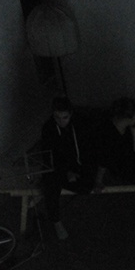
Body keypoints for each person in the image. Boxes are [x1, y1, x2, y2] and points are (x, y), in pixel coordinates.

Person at [40, 97, 96, 240]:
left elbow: (88, 151)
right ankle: (56, 222)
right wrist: (66, 172)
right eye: (57, 117)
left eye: (64, 117)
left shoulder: (80, 124)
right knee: (50, 185)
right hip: (58, 169)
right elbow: (49, 158)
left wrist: (78, 170)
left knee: (86, 186)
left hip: (78, 166)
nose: (61, 121)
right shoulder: (48, 128)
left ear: (71, 114)